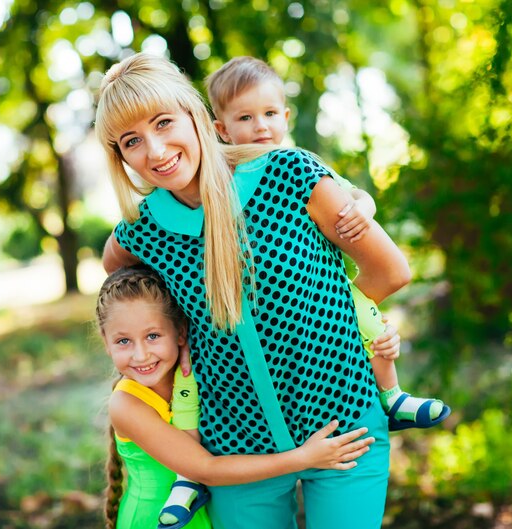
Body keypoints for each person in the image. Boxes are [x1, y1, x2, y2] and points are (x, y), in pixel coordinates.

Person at [95, 52, 406, 529]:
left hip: (345, 421)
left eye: (164, 123)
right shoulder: (143, 231)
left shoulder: (290, 175)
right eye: (132, 141)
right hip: (236, 445)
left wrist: (344, 328)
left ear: (195, 114)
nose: (155, 151)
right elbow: (126, 295)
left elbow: (389, 272)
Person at [205, 56, 450, 432]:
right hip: (260, 310)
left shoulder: (298, 164)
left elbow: (355, 194)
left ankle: (393, 396)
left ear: (286, 117)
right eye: (245, 118)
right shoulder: (221, 179)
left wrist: (364, 208)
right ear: (222, 129)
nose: (261, 127)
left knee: (371, 327)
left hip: (328, 288)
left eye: (270, 113)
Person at [98, 264, 374, 529]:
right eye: (123, 341)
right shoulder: (127, 404)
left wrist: (378, 337)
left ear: (181, 332)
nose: (141, 354)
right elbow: (204, 468)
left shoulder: (201, 371)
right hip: (155, 521)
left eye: (153, 336)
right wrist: (304, 457)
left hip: (206, 517)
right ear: (105, 342)